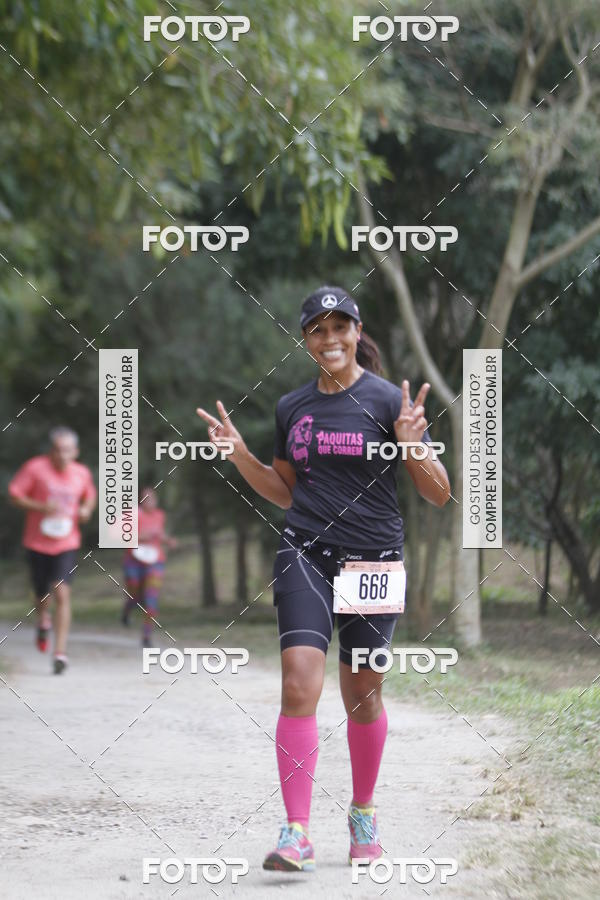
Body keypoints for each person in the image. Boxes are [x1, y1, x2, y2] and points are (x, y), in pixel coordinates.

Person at [196, 285, 450, 872]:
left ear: (358, 333)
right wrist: (238, 453)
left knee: (363, 694)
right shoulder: (293, 408)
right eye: (317, 329)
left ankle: (363, 813)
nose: (330, 338)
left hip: (373, 559)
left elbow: (439, 493)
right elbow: (284, 490)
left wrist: (414, 448)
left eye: (340, 327)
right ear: (306, 340)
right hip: (306, 550)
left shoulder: (391, 402)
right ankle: (296, 831)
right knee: (297, 681)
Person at [8, 426, 96, 674]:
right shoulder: (35, 468)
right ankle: (43, 619)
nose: (62, 456)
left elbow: (90, 496)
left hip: (66, 542)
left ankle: (60, 653)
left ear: (75, 452)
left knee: (61, 591)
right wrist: (39, 506)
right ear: (51, 451)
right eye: (57, 450)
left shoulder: (81, 473)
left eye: (67, 450)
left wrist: (86, 510)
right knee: (41, 596)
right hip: (37, 541)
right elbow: (14, 495)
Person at [121, 487, 176, 647]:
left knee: (151, 597)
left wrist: (168, 541)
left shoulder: (160, 515)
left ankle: (146, 635)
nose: (149, 502)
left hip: (155, 559)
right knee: (134, 592)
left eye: (152, 499)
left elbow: (159, 534)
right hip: (134, 559)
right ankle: (127, 609)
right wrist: (140, 536)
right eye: (145, 498)